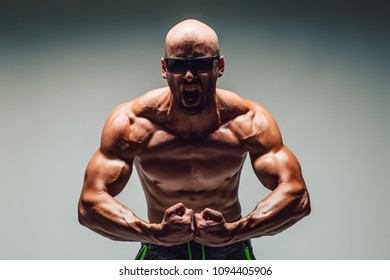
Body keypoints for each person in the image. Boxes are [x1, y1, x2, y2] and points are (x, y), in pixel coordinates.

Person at [78, 19, 311, 260]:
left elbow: (297, 196)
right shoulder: (133, 122)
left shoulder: (248, 120)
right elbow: (89, 204)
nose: (189, 75)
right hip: (162, 248)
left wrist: (235, 232)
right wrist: (153, 233)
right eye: (178, 65)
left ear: (219, 66)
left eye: (200, 64)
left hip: (229, 247)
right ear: (164, 68)